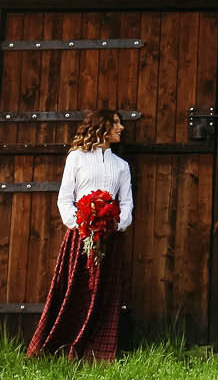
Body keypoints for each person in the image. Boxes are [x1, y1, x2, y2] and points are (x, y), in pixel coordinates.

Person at [26, 107, 134, 358]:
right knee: (73, 289)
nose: (121, 128)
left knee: (104, 292)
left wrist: (116, 224)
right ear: (102, 127)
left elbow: (126, 202)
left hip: (109, 238)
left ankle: (98, 348)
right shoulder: (77, 158)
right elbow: (65, 199)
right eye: (116, 123)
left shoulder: (121, 166)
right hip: (80, 236)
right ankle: (60, 344)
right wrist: (81, 222)